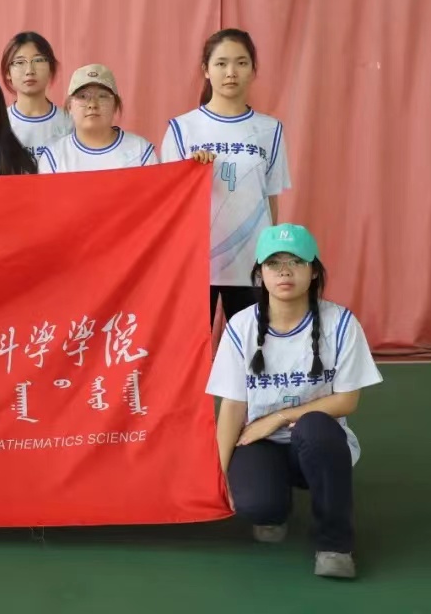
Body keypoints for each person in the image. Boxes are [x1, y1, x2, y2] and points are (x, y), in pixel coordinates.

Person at [206, 224, 382, 579]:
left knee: (315, 428)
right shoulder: (241, 326)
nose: (284, 272)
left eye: (295, 262)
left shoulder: (341, 323)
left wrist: (279, 417)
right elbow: (233, 406)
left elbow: (347, 401)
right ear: (260, 274)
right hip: (260, 442)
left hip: (315, 440)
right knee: (259, 506)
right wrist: (218, 475)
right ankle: (273, 503)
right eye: (274, 263)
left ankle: (335, 544)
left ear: (313, 270)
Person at [160, 28, 291, 326]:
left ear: (253, 70)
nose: (231, 72)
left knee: (253, 345)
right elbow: (167, 201)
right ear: (206, 70)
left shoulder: (270, 130)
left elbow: (270, 199)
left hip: (251, 262)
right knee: (191, 348)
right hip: (194, 261)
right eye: (221, 63)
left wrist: (270, 254)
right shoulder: (182, 129)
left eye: (241, 63)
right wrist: (190, 171)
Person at [40, 64, 214, 173]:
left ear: (116, 105)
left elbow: (158, 203)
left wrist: (195, 166)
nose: (92, 104)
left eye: (102, 96)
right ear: (69, 106)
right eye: (83, 97)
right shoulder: (54, 157)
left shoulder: (141, 151)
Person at [1, 31, 72, 159]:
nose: (29, 71)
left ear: (51, 69)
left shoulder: (68, 123)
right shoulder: (0, 124)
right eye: (20, 62)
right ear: (8, 73)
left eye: (38, 60)